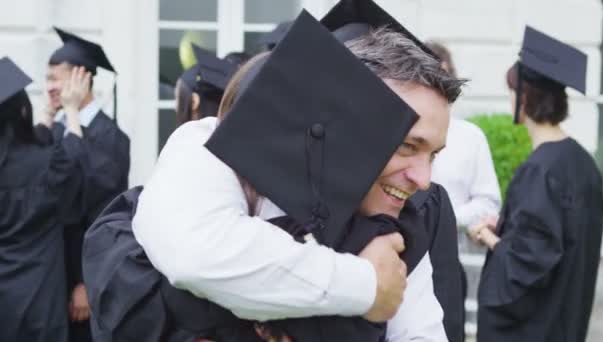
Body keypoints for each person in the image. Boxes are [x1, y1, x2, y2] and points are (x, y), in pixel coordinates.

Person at [84, 10, 465, 341]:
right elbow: (197, 252)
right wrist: (367, 284)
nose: (424, 178)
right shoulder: (210, 149)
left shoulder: (396, 228)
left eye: (433, 153)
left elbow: (419, 332)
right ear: (345, 116)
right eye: (407, 146)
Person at [471, 26, 603, 342]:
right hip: (566, 322)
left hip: (533, 331)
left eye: (512, 92)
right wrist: (506, 226)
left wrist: (488, 236)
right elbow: (555, 239)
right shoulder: (583, 164)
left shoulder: (540, 170)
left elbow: (528, 261)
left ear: (525, 97)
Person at [36, 27, 130, 342]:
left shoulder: (111, 138)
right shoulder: (58, 127)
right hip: (48, 271)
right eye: (47, 78)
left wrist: (86, 282)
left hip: (79, 275)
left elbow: (103, 215)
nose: (49, 87)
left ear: (81, 78)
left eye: (56, 78)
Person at [0, 57, 86, 342]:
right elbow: (74, 159)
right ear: (23, 109)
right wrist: (71, 110)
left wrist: (48, 116)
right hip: (40, 297)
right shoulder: (45, 163)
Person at [426, 41, 501, 229]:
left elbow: (488, 204)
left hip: (449, 247)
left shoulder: (471, 137)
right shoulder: (398, 132)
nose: (437, 87)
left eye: (443, 78)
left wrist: (445, 217)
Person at [175, 44, 237, 126]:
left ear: (194, 101)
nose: (175, 106)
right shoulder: (230, 134)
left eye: (177, 98)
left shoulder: (187, 137)